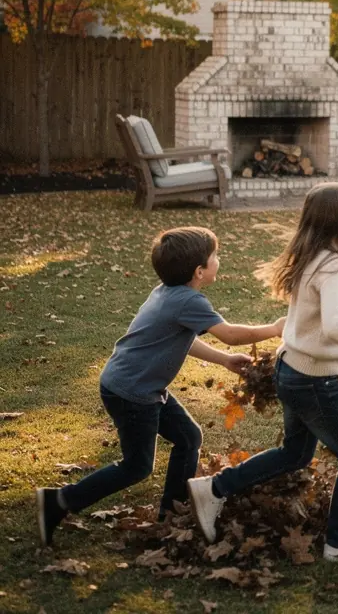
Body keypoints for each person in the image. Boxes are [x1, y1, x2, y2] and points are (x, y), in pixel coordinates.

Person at [187, 183, 338, 559]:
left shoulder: (316, 256)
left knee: (295, 453)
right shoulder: (335, 265)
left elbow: (330, 305)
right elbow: (336, 325)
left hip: (291, 370)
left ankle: (214, 488)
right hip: (314, 380)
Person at [36, 226, 285, 545]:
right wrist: (274, 328)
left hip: (133, 385)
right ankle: (59, 501)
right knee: (137, 466)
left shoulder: (168, 293)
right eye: (215, 256)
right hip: (132, 393)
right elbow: (232, 334)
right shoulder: (188, 301)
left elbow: (182, 339)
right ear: (199, 271)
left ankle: (172, 513)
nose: (218, 260)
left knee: (188, 437)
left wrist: (223, 360)